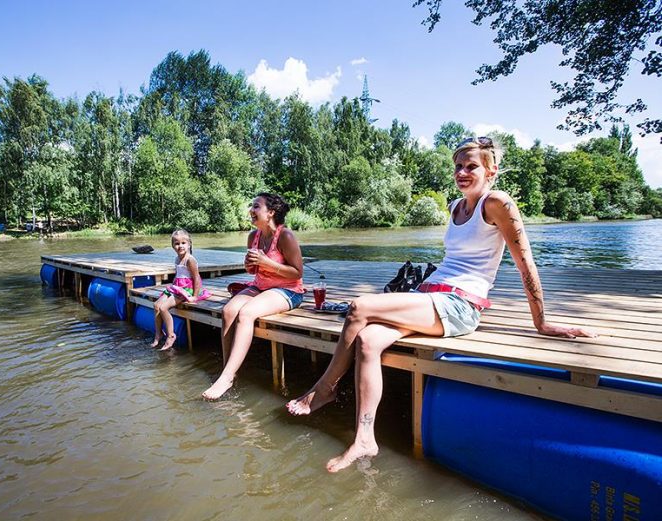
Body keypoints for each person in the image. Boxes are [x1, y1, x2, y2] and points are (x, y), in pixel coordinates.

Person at [286, 136, 596, 472]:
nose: (462, 172)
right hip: (429, 297)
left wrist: (541, 322)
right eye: (458, 166)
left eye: (471, 166)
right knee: (368, 340)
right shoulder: (455, 207)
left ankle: (324, 389)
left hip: (459, 305)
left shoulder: (497, 203)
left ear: (491, 171)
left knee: (360, 307)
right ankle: (365, 438)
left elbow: (526, 264)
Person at [202, 193, 305, 400]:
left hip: (288, 290)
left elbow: (297, 273)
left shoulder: (285, 236)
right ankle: (229, 370)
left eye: (256, 206)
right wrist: (249, 265)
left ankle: (226, 377)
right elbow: (252, 271)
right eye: (252, 206)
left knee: (246, 313)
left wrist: (267, 262)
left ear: (270, 213)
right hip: (260, 286)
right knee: (229, 310)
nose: (251, 210)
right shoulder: (253, 237)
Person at [152, 229, 211, 350]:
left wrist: (194, 296)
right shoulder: (177, 259)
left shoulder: (190, 260)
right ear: (172, 246)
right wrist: (172, 287)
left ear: (189, 244)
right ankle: (158, 333)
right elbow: (178, 275)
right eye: (177, 243)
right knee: (156, 305)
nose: (180, 246)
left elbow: (196, 278)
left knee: (163, 308)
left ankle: (171, 335)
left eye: (183, 243)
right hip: (177, 287)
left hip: (186, 289)